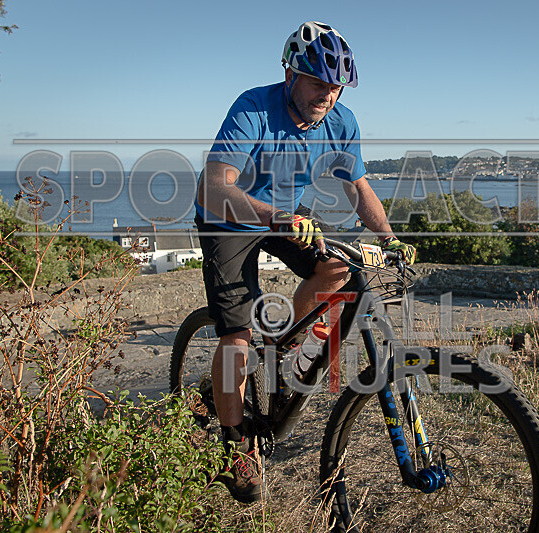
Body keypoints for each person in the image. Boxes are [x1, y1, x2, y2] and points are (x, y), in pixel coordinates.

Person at [194, 21, 416, 503]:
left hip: (285, 218)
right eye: (318, 82)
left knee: (338, 268)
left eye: (335, 87)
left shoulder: (342, 122)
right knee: (235, 338)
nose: (327, 95)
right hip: (228, 219)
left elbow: (359, 188)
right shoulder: (254, 107)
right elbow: (212, 186)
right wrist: (273, 216)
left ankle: (278, 345)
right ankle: (236, 448)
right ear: (291, 73)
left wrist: (391, 238)